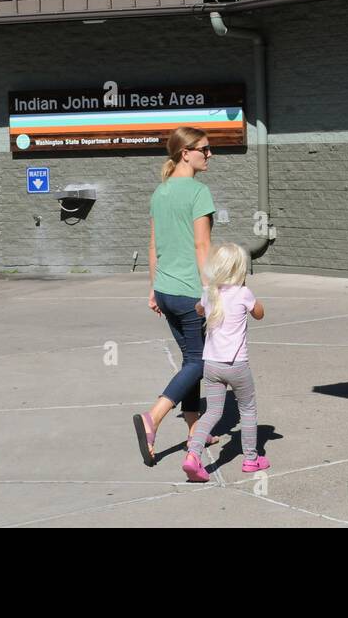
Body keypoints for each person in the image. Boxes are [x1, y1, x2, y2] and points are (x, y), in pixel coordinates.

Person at [131, 126, 216, 467]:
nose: (210, 155)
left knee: (190, 359)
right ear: (186, 153)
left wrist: (153, 288)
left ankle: (195, 428)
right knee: (200, 362)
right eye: (205, 150)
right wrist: (210, 291)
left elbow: (153, 246)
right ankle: (153, 417)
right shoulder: (198, 192)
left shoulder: (160, 192)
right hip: (189, 292)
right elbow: (202, 246)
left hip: (166, 291)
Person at [181, 242, 267, 483]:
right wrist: (250, 296)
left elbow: (199, 310)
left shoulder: (210, 293)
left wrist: (204, 305)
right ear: (240, 269)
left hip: (212, 365)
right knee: (248, 409)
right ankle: (251, 458)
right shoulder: (243, 293)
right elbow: (260, 313)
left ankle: (193, 455)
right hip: (237, 365)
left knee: (212, 413)